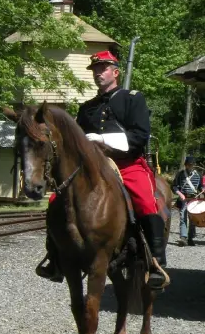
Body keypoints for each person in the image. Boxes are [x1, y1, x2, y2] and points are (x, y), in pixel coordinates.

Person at [36, 49, 168, 289]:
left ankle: (155, 262)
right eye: (95, 70)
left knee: (147, 201)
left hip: (126, 163)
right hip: (91, 166)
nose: (98, 73)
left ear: (115, 72)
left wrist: (103, 140)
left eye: (103, 69)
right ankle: (54, 257)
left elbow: (140, 136)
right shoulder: (87, 107)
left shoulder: (132, 99)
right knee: (56, 199)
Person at [172, 155, 203, 246]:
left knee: (193, 219)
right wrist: (180, 194)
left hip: (194, 200)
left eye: (192, 165)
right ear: (186, 165)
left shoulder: (198, 175)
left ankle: (190, 238)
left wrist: (203, 188)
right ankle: (183, 237)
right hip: (184, 199)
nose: (190, 166)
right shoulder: (180, 174)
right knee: (183, 218)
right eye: (189, 165)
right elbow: (174, 186)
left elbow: (201, 187)